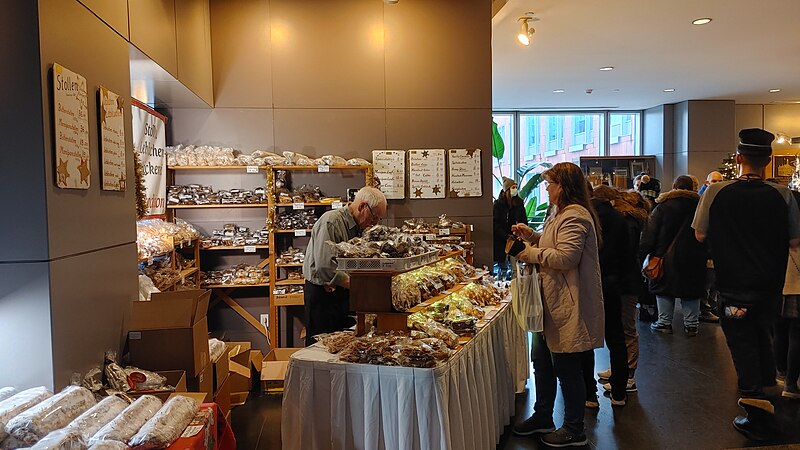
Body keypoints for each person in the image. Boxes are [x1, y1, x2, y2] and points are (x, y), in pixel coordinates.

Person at [693, 128, 800, 440]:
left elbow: (699, 234)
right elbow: (795, 240)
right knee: (763, 336)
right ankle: (769, 395)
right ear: (768, 162)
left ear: (738, 158)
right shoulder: (783, 195)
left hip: (732, 285)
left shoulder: (715, 193)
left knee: (741, 344)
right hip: (770, 286)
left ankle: (757, 413)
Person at [508, 162, 604, 448]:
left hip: (566, 303)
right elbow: (554, 244)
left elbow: (566, 258)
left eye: (550, 183)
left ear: (564, 186)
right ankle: (543, 416)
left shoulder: (576, 215)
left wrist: (529, 253)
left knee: (567, 367)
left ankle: (575, 429)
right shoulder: (559, 213)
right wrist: (533, 236)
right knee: (542, 364)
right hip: (548, 303)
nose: (547, 188)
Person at [302, 186, 387, 346]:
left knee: (345, 344)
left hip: (343, 291)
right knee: (321, 346)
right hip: (323, 296)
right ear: (362, 206)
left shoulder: (360, 228)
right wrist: (358, 286)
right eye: (374, 217)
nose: (374, 223)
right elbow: (325, 267)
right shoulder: (332, 222)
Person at [595, 188, 650, 393]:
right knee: (620, 327)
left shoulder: (625, 222)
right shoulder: (628, 220)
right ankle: (620, 369)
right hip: (626, 279)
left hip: (626, 281)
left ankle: (628, 375)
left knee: (626, 328)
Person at [640, 175, 707, 336]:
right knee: (692, 290)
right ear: (692, 188)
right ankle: (691, 325)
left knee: (663, 290)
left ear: (674, 187)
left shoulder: (663, 207)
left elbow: (650, 234)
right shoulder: (700, 206)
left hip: (664, 257)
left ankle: (664, 323)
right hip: (694, 257)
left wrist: (643, 253)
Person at [587, 185, 630, 407]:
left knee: (585, 340)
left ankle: (589, 395)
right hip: (612, 282)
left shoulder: (586, 219)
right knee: (616, 338)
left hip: (589, 282)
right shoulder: (619, 219)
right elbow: (627, 252)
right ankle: (619, 393)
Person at [699, 171, 724, 323]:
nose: (716, 183)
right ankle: (705, 309)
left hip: (718, 249)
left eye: (719, 180)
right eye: (713, 181)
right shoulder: (702, 200)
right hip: (707, 249)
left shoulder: (722, 198)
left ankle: (712, 307)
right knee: (707, 282)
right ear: (707, 182)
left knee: (715, 282)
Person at [493, 177, 527, 280]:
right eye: (513, 187)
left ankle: (515, 288)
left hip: (515, 239)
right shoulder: (498, 205)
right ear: (506, 190)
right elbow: (495, 223)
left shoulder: (519, 204)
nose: (515, 189)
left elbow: (523, 221)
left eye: (516, 187)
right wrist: (505, 236)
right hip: (501, 239)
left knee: (515, 268)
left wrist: (521, 233)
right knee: (502, 266)